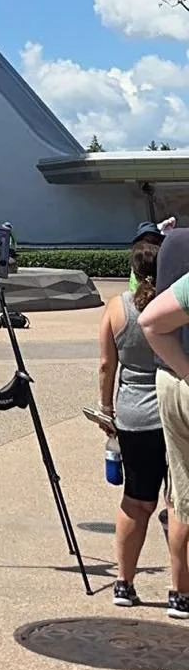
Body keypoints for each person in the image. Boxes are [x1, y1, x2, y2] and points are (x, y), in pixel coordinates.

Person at [90, 235, 167, 606]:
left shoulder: (116, 307)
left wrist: (106, 410)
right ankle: (180, 592)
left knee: (135, 501)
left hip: (133, 415)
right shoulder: (173, 306)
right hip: (172, 409)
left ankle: (124, 583)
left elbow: (107, 364)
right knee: (178, 503)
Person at [140, 223, 189, 618]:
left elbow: (151, 322)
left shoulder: (173, 244)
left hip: (171, 379)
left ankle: (179, 591)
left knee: (180, 497)